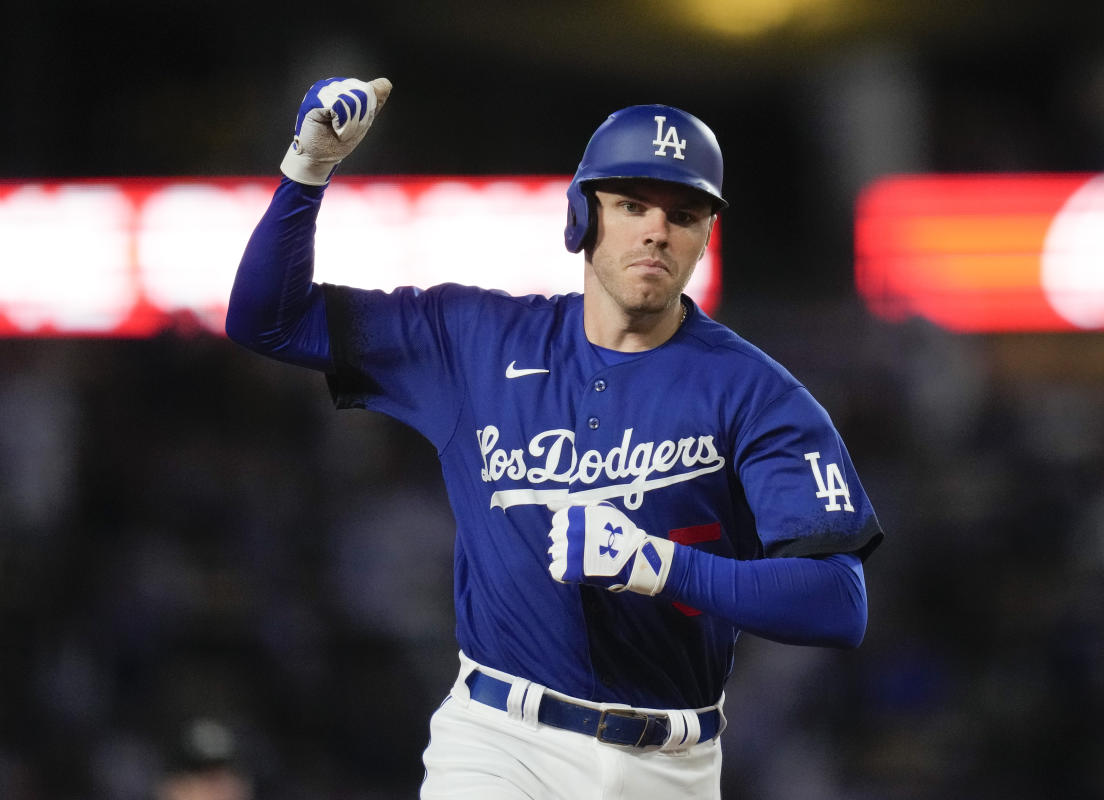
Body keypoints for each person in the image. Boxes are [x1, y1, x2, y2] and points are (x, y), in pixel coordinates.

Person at [226, 76, 884, 799]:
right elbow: (268, 321)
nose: (657, 230)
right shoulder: (472, 341)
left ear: (704, 235)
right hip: (500, 741)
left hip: (671, 759)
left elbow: (838, 602)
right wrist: (306, 172)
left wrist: (662, 567)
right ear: (581, 217)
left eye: (685, 212)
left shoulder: (756, 392)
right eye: (632, 204)